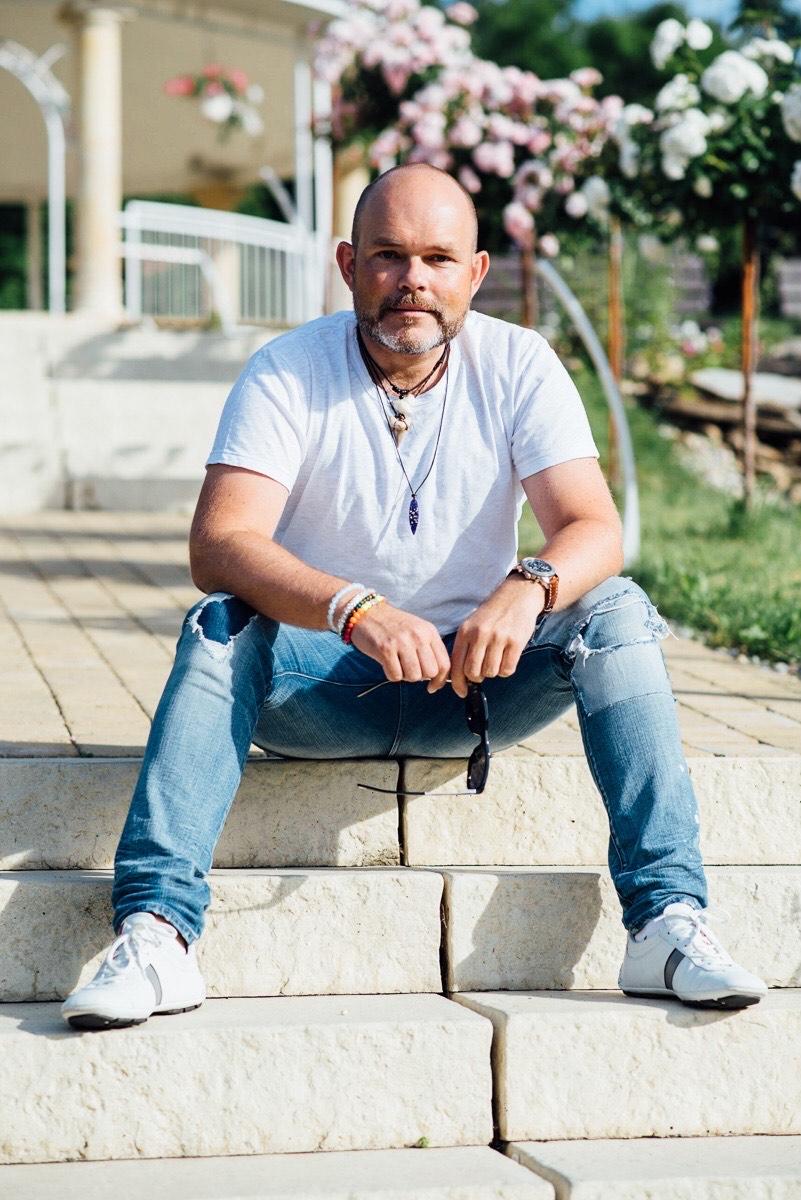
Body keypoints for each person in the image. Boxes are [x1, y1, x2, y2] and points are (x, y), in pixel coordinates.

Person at [61, 164, 766, 1030]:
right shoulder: (286, 370)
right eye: (388, 256)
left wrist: (528, 585)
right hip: (322, 688)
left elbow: (593, 527)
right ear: (348, 264)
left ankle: (664, 922)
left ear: (475, 272)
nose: (413, 280)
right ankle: (157, 933)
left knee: (614, 608)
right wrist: (352, 608)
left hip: (478, 687)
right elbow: (219, 543)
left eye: (437, 258)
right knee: (220, 623)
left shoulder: (518, 363)